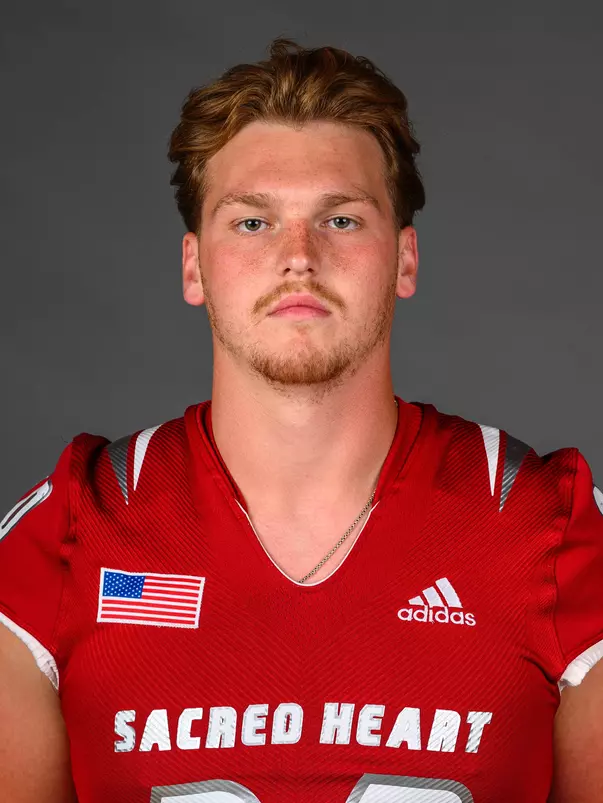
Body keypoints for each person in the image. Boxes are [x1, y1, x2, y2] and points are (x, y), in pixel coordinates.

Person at [0, 36, 601, 803]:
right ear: (194, 266)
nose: (298, 257)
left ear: (404, 259)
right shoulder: (68, 533)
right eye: (252, 223)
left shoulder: (549, 525)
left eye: (341, 220)